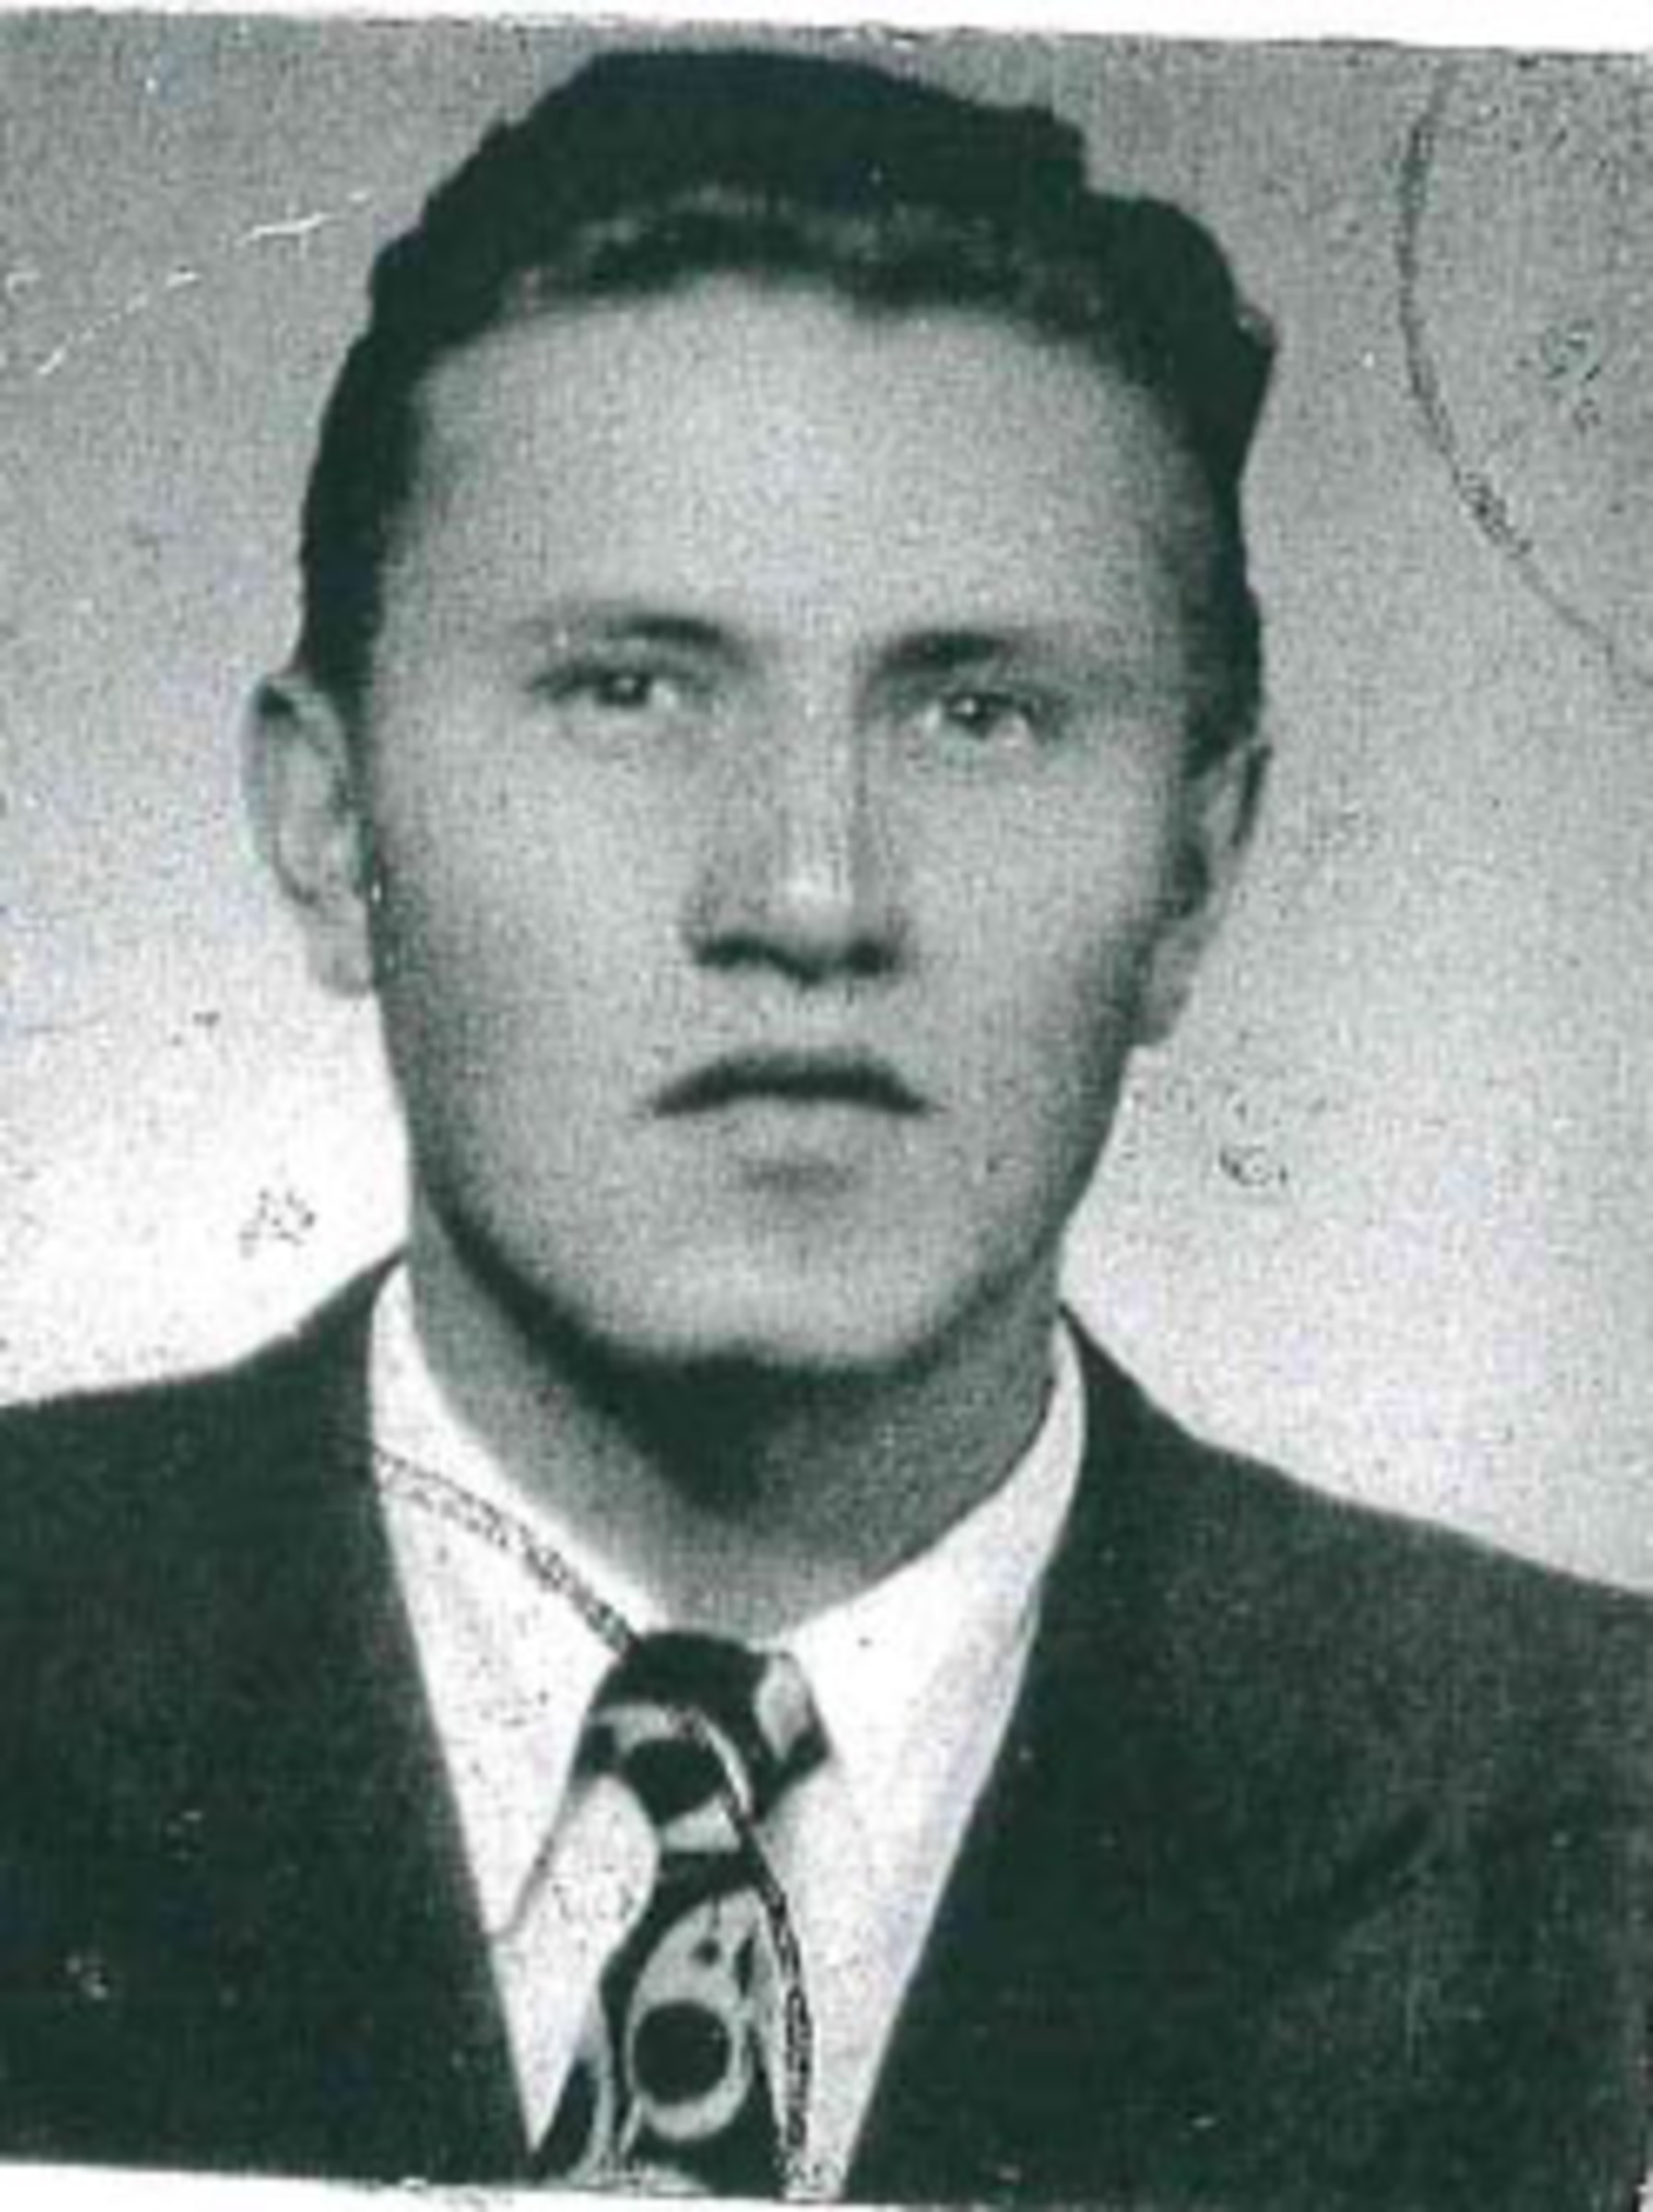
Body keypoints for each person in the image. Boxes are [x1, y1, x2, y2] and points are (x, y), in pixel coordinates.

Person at [0, 44, 1647, 2211]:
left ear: (1195, 875)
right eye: (627, 691)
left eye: (979, 714)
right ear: (329, 831)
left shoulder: (1593, 1825)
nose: (806, 896)